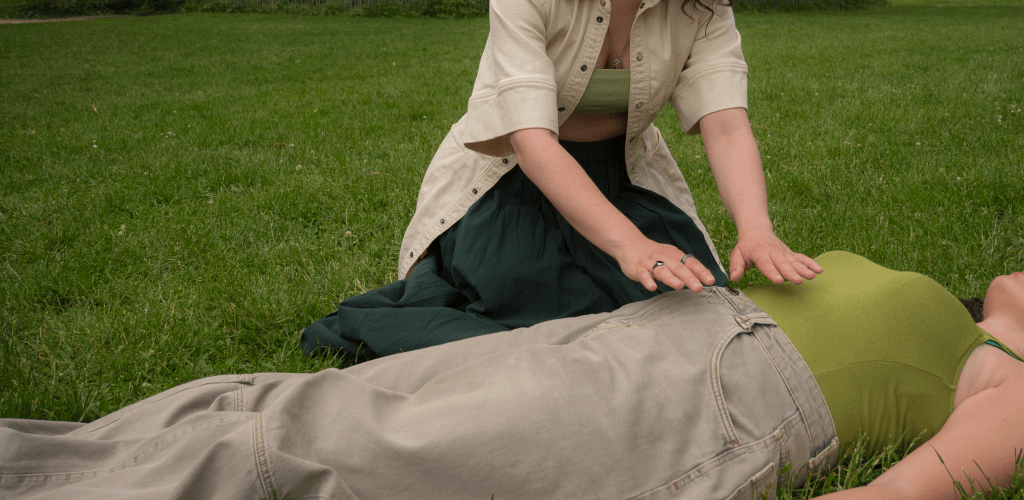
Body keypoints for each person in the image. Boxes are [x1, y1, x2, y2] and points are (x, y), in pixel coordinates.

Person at [301, 0, 821, 360]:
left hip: (620, 181)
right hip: (515, 189)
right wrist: (627, 245)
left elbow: (725, 122)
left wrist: (755, 228)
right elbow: (532, 141)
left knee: (694, 310)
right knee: (543, 320)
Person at [2, 252, 1022, 500]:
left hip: (724, 399)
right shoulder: (979, 306)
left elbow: (903, 487)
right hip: (682, 326)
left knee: (324, 451)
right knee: (283, 402)